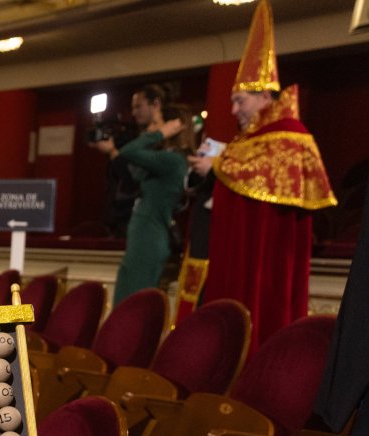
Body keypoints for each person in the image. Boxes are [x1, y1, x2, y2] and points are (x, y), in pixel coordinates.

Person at [187, 0, 335, 350]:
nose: (235, 111)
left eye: (241, 101)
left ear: (265, 95)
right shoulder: (251, 139)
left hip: (265, 265)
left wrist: (218, 166)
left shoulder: (290, 134)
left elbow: (263, 177)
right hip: (233, 253)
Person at [96, 104, 193, 303]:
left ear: (172, 127)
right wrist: (155, 137)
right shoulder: (161, 159)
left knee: (131, 306)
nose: (150, 128)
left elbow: (128, 151)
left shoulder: (173, 160)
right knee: (125, 302)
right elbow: (132, 168)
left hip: (149, 238)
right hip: (142, 235)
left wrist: (158, 135)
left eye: (156, 123)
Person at [93, 84, 170, 238]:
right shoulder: (138, 137)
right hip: (124, 214)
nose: (134, 113)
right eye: (132, 108)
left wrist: (113, 152)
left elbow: (134, 176)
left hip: (146, 218)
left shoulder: (165, 140)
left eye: (138, 107)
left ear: (156, 104)